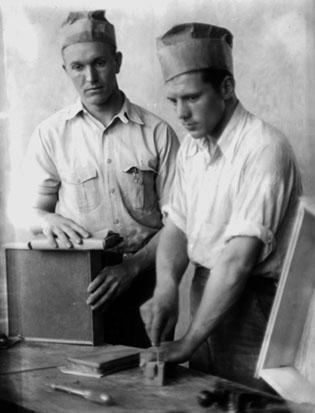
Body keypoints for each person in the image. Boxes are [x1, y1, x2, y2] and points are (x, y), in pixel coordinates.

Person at [140, 22, 302, 388]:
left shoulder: (265, 148)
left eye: (192, 97)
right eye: (173, 101)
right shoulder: (193, 147)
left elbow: (237, 260)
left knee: (250, 402)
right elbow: (177, 225)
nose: (180, 113)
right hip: (207, 293)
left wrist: (188, 340)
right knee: (202, 398)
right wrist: (166, 287)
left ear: (226, 88)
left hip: (256, 305)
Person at [18, 10, 179, 348]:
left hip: (146, 281)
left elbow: (182, 223)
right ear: (66, 71)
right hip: (78, 285)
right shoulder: (50, 135)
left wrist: (133, 267)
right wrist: (46, 217)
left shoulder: (158, 133)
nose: (90, 76)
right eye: (77, 67)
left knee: (149, 387)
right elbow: (26, 212)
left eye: (99, 63)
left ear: (117, 61)